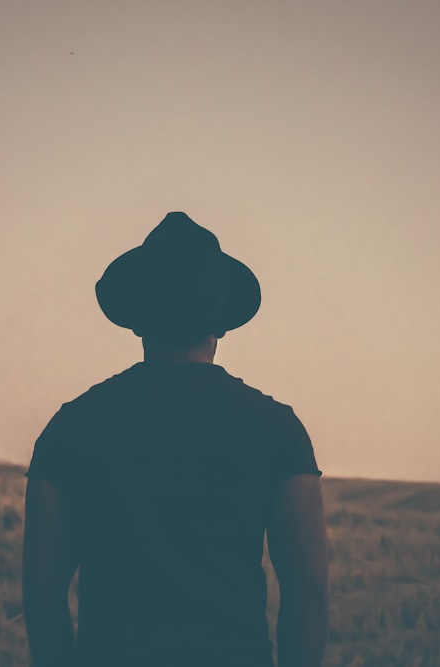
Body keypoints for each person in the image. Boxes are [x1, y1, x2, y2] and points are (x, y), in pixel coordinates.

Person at [23, 212, 328, 667]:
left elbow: (42, 592)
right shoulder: (278, 428)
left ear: (138, 321)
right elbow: (308, 590)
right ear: (221, 323)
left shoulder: (71, 426)